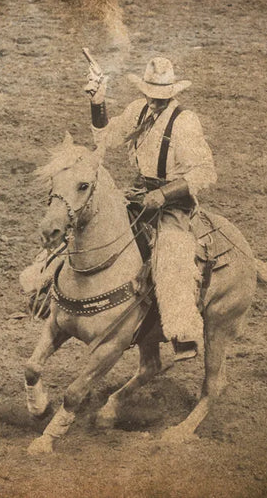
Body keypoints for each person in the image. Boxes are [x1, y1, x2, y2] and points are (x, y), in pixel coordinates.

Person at [85, 57, 216, 359]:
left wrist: (165, 194)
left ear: (171, 94)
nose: (155, 102)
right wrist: (98, 102)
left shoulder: (185, 122)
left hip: (174, 205)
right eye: (151, 95)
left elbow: (205, 171)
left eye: (161, 98)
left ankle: (182, 332)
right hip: (139, 193)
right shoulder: (137, 110)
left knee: (171, 253)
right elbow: (106, 137)